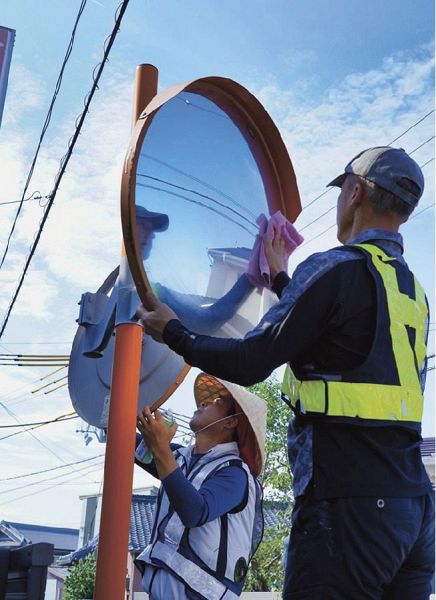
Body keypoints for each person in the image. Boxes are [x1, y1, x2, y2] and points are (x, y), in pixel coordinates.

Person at [137, 146, 435, 599]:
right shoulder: (413, 293)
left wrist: (172, 332)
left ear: (354, 193)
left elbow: (250, 362)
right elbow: (342, 335)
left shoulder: (335, 267)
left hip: (346, 506)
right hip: (413, 510)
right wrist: (281, 279)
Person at [134, 372, 266, 600]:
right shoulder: (179, 458)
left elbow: (195, 512)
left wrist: (160, 448)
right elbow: (120, 434)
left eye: (217, 402)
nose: (204, 402)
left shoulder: (235, 474)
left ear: (230, 422)